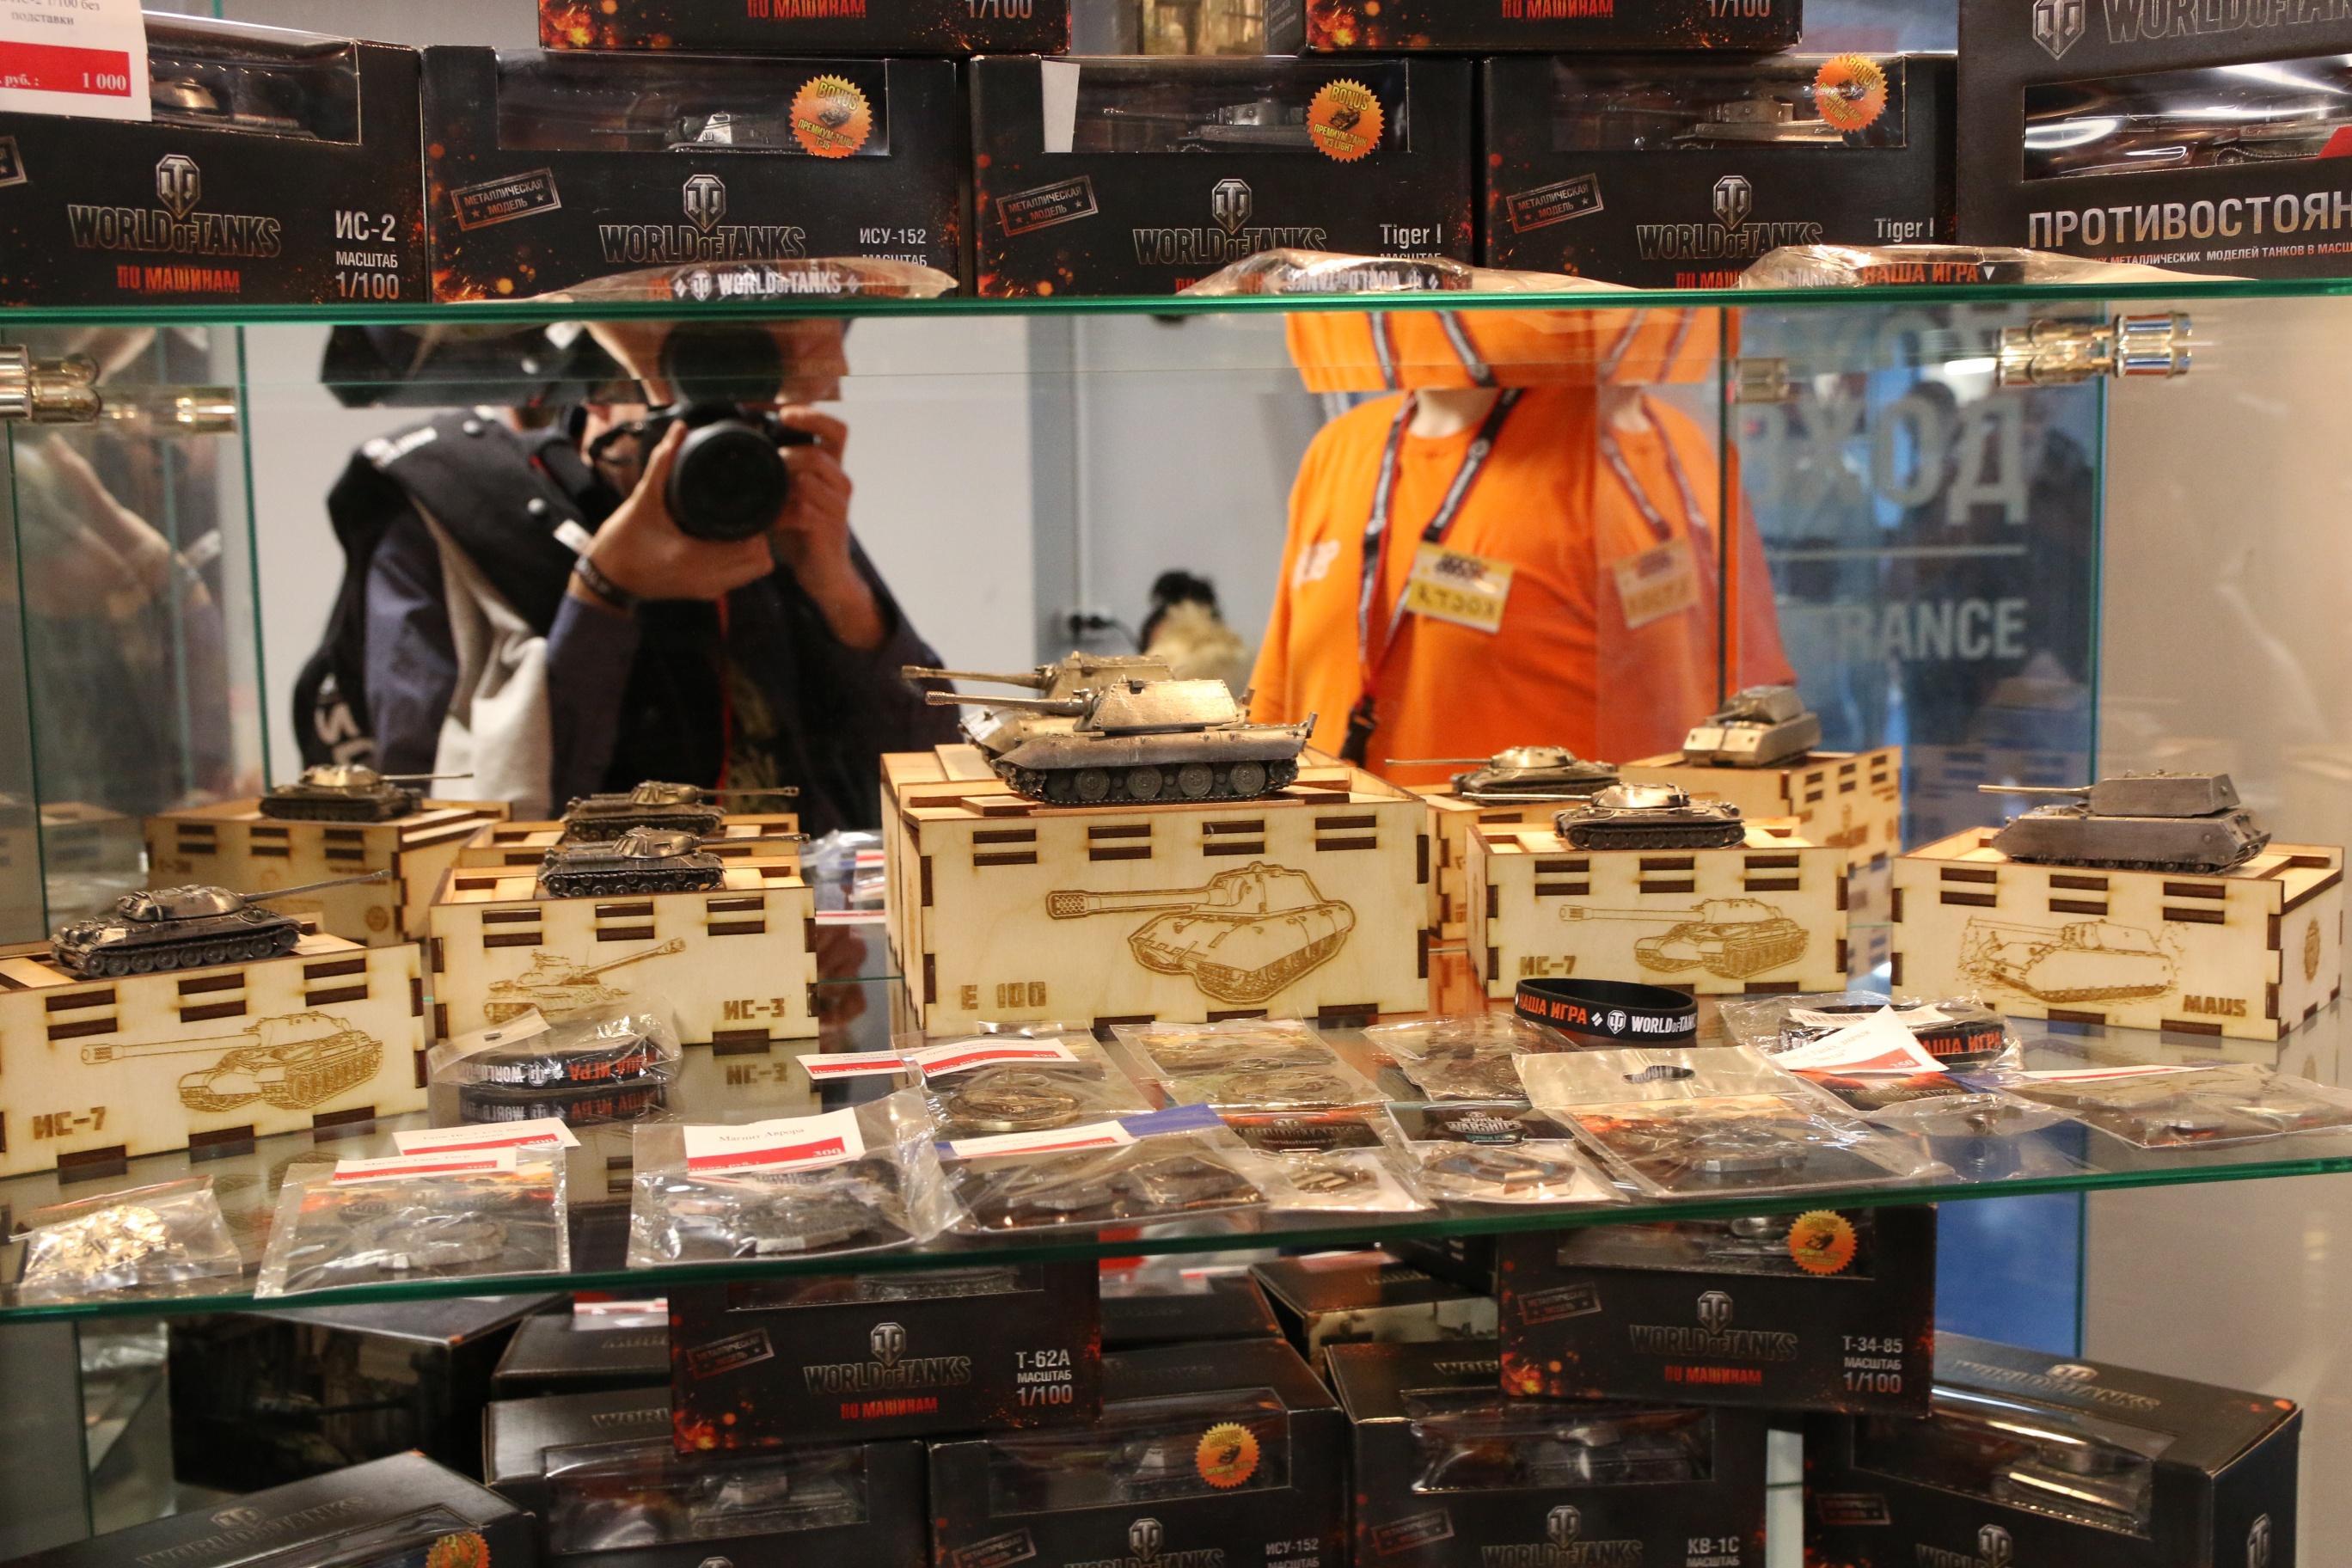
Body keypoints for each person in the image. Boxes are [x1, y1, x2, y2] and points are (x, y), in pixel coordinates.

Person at [297, 319, 957, 834]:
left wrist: (843, 595)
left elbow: (935, 786)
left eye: (749, 406)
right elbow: (438, 834)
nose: (706, 443)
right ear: (586, 386)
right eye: (673, 409)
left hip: (802, 933)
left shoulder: (756, 487)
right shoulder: (457, 505)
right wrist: (603, 591)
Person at [1246, 308, 1795, 778]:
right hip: (1353, 850)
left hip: (1555, 853)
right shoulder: (1340, 449)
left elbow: (1750, 716)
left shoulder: (1676, 452)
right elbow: (1281, 695)